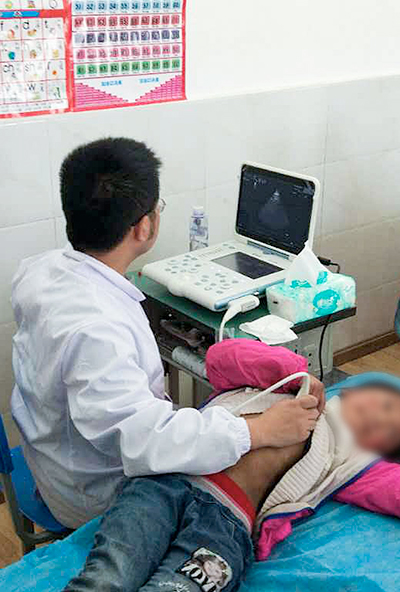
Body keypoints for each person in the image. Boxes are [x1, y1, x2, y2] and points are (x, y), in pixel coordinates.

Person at [10, 138, 323, 529]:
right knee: (274, 455)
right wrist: (257, 431)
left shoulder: (43, 270)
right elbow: (144, 440)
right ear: (145, 226)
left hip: (57, 458)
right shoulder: (98, 331)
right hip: (96, 497)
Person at [34, 339, 400, 592]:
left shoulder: (353, 463)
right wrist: (292, 369)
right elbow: (221, 358)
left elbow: (392, 490)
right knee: (106, 582)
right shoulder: (282, 385)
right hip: (164, 484)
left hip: (226, 528)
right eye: (386, 407)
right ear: (354, 391)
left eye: (391, 432)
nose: (381, 421)